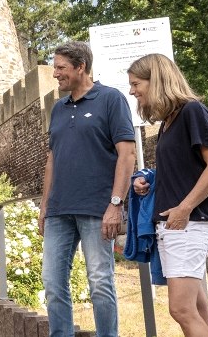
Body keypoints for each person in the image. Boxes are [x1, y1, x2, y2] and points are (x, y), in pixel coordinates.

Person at [38, 41, 137, 337]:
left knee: (100, 282)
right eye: (55, 68)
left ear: (81, 67)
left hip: (97, 209)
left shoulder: (110, 99)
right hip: (59, 211)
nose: (55, 74)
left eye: (61, 68)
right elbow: (52, 159)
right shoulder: (58, 109)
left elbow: (127, 154)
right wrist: (44, 206)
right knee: (53, 284)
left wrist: (116, 204)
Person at [128, 53, 208, 337]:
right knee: (198, 307)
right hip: (177, 223)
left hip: (189, 222)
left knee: (181, 309)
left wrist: (184, 208)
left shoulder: (191, 111)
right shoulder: (168, 122)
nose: (133, 91)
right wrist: (147, 182)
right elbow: (182, 169)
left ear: (155, 80)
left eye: (136, 84)